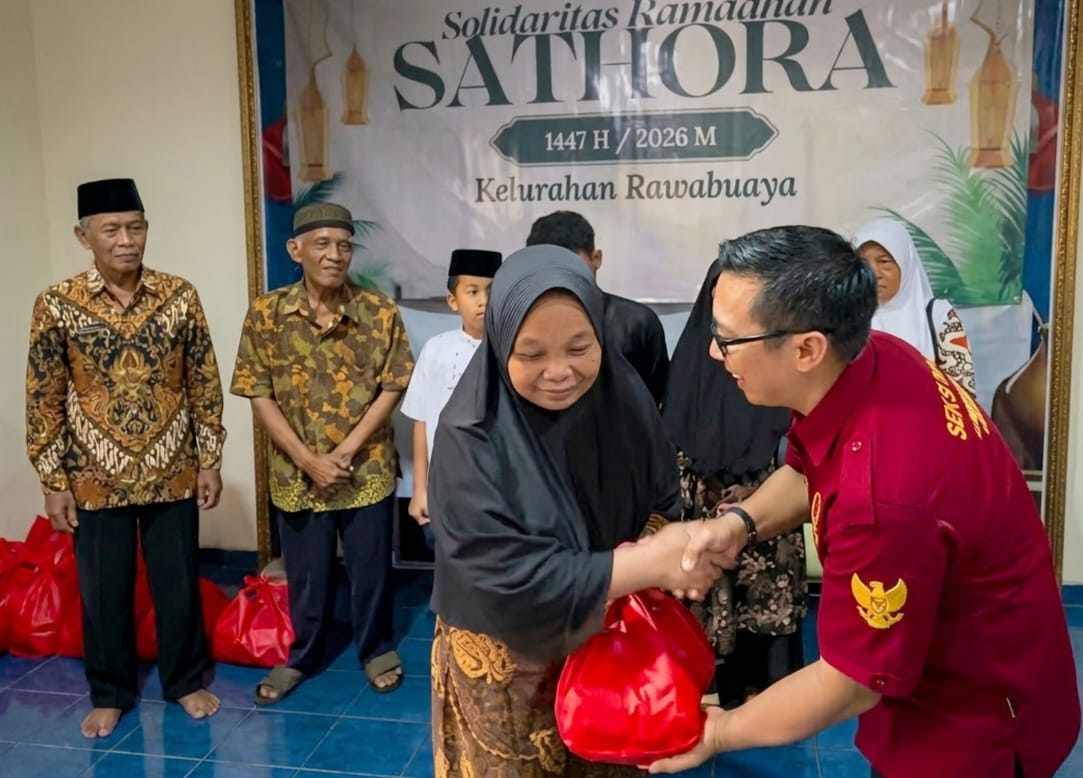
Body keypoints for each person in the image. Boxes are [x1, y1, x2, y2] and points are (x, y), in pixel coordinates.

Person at [648, 226, 1080, 778]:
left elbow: (848, 684)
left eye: (729, 339)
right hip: (976, 669)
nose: (714, 352)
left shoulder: (885, 502)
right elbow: (810, 468)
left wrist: (719, 731)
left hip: (969, 731)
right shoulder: (879, 358)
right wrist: (739, 523)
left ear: (807, 348)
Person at [428, 245, 725, 777]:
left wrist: (659, 548)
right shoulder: (470, 435)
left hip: (612, 652)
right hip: (508, 672)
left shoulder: (624, 400)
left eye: (579, 347)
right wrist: (646, 564)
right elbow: (503, 574)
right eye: (531, 353)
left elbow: (661, 496)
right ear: (499, 346)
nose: (559, 372)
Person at [25, 177, 226, 738]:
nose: (125, 240)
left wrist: (209, 457)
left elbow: (204, 382)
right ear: (83, 236)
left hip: (172, 467)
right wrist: (52, 478)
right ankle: (110, 692)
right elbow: (42, 396)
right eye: (110, 229)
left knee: (178, 583)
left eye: (135, 227)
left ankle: (185, 681)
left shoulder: (179, 295)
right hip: (93, 475)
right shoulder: (57, 304)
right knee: (104, 590)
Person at [231, 202, 414, 703]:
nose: (335, 255)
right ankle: (304, 653)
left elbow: (393, 385)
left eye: (344, 245)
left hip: (366, 466)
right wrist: (307, 458)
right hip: (297, 471)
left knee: (371, 568)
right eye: (323, 244)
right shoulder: (267, 314)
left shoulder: (378, 312)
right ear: (296, 250)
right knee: (307, 573)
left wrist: (347, 451)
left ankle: (376, 649)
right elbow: (257, 391)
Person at [661, 261, 804, 706]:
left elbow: (794, 442)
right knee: (706, 599)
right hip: (702, 501)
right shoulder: (695, 353)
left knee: (760, 606)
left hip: (768, 500)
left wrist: (755, 489)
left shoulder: (783, 361)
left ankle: (762, 695)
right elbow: (677, 427)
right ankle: (705, 692)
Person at [401, 248, 502, 550]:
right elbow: (421, 421)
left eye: (492, 291)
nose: (483, 300)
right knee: (449, 571)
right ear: (453, 300)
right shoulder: (436, 350)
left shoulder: (516, 353)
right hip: (446, 490)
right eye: (472, 292)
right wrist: (420, 489)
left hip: (499, 494)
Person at [526, 210, 670, 403]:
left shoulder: (638, 322)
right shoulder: (521, 324)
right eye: (549, 267)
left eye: (572, 267)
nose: (560, 277)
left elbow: (655, 395)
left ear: (596, 258)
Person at [853, 217, 977, 397]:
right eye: (864, 263)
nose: (874, 273)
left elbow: (963, 394)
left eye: (884, 261)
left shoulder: (939, 316)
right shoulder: (845, 316)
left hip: (926, 421)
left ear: (905, 263)